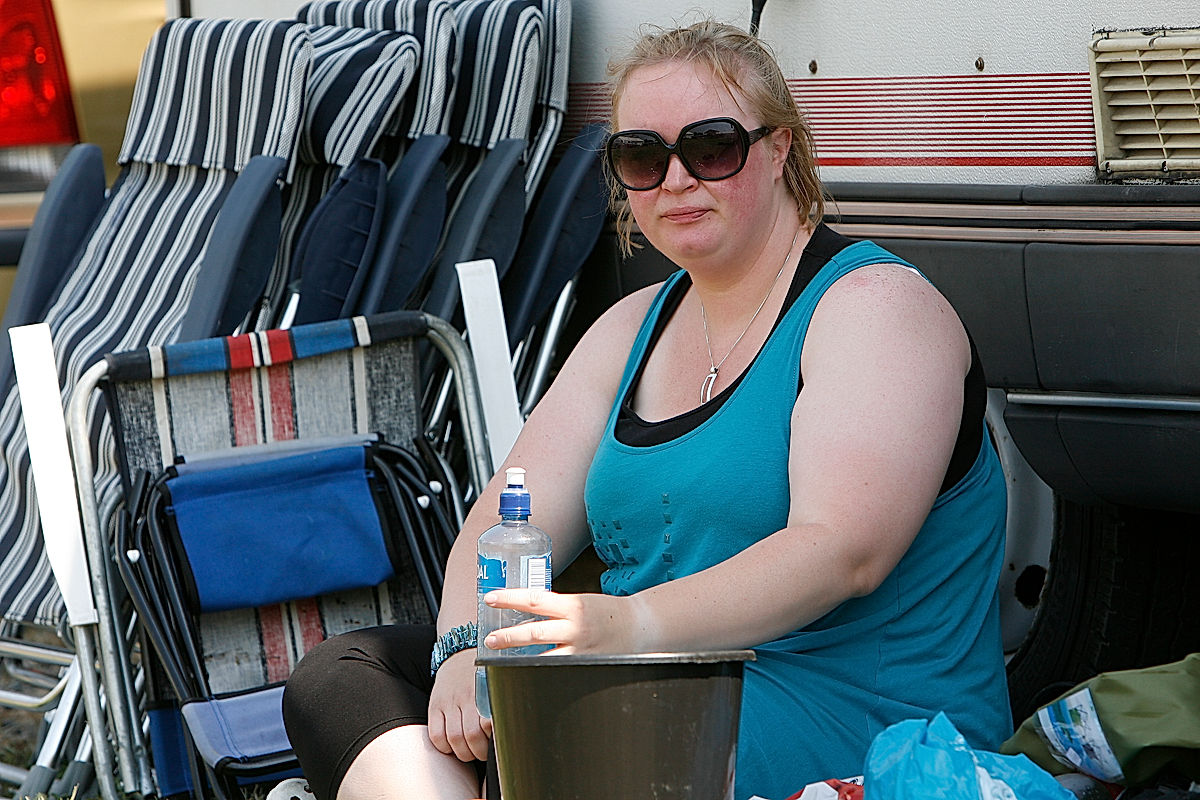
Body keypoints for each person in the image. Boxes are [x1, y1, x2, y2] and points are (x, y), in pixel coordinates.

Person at [282, 19, 1012, 800]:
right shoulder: (635, 325)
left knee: (579, 736)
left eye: (711, 147)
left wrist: (619, 630)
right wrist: (463, 649)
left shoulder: (874, 306)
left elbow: (843, 553)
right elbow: (504, 515)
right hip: (650, 677)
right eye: (640, 156)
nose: (675, 180)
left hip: (851, 712)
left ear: (781, 151)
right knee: (344, 677)